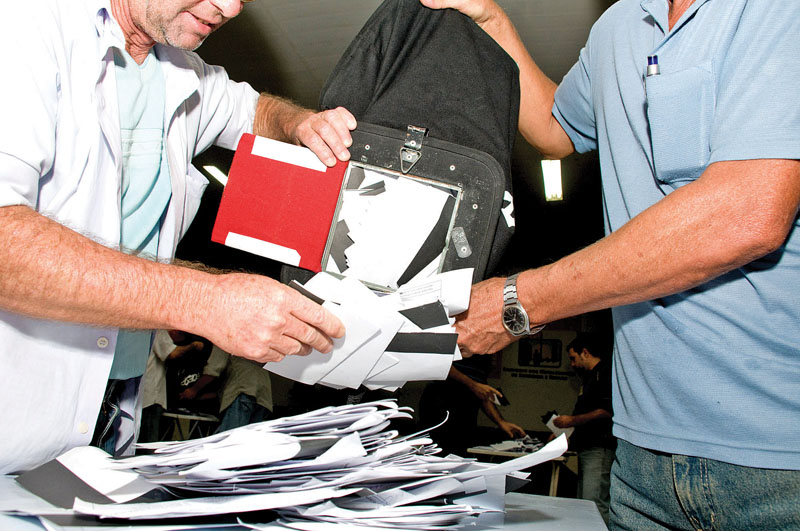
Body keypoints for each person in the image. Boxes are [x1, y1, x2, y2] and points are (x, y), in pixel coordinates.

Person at [420, 0, 800, 529]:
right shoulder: (617, 26)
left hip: (778, 461)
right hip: (642, 451)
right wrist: (493, 20)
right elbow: (556, 125)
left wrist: (517, 301)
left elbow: (747, 213)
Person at [0, 0, 357, 475]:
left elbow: (255, 110)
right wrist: (205, 300)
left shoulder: (182, 72)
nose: (228, 8)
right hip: (17, 405)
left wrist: (297, 124)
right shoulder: (25, 27)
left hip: (111, 405)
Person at [553, 332, 615, 524]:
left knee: (593, 504)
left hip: (600, 446)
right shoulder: (588, 378)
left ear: (585, 353)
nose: (572, 364)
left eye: (573, 358)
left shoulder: (604, 374)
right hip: (587, 446)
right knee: (585, 503)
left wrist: (571, 421)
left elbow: (606, 411)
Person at [419, 356, 525, 456]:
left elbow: (481, 390)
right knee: (439, 453)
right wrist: (472, 385)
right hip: (442, 401)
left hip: (466, 408)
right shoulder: (461, 339)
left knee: (461, 454)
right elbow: (442, 364)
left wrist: (501, 422)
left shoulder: (485, 355)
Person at [202, 346, 274, 434]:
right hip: (263, 396)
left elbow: (214, 369)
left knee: (231, 440)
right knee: (247, 442)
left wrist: (193, 390)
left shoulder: (223, 336)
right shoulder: (254, 339)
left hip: (242, 391)